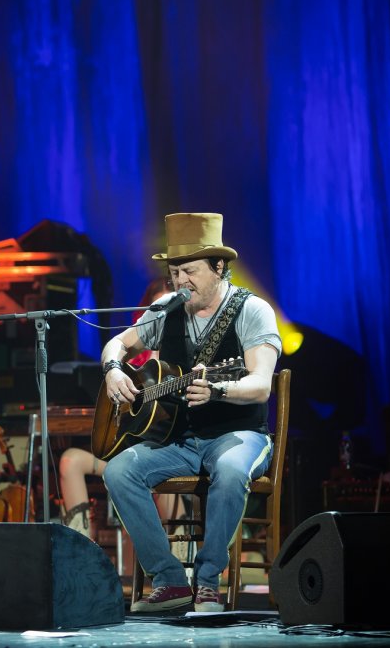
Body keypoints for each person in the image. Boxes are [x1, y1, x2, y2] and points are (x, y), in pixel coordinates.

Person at [101, 212, 280, 613]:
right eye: (174, 272)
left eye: (190, 271)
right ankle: (169, 581)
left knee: (230, 472)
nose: (181, 281)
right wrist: (112, 369)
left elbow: (261, 384)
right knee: (118, 471)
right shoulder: (165, 310)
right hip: (180, 440)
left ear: (219, 267)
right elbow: (117, 344)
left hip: (240, 435)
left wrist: (218, 389)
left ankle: (208, 583)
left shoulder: (253, 310)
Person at [59, 276, 176, 539]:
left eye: (169, 308)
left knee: (160, 487)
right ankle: (82, 550)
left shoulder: (183, 358)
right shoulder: (132, 361)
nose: (162, 316)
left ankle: (176, 552)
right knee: (69, 461)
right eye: (156, 308)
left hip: (160, 455)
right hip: (123, 451)